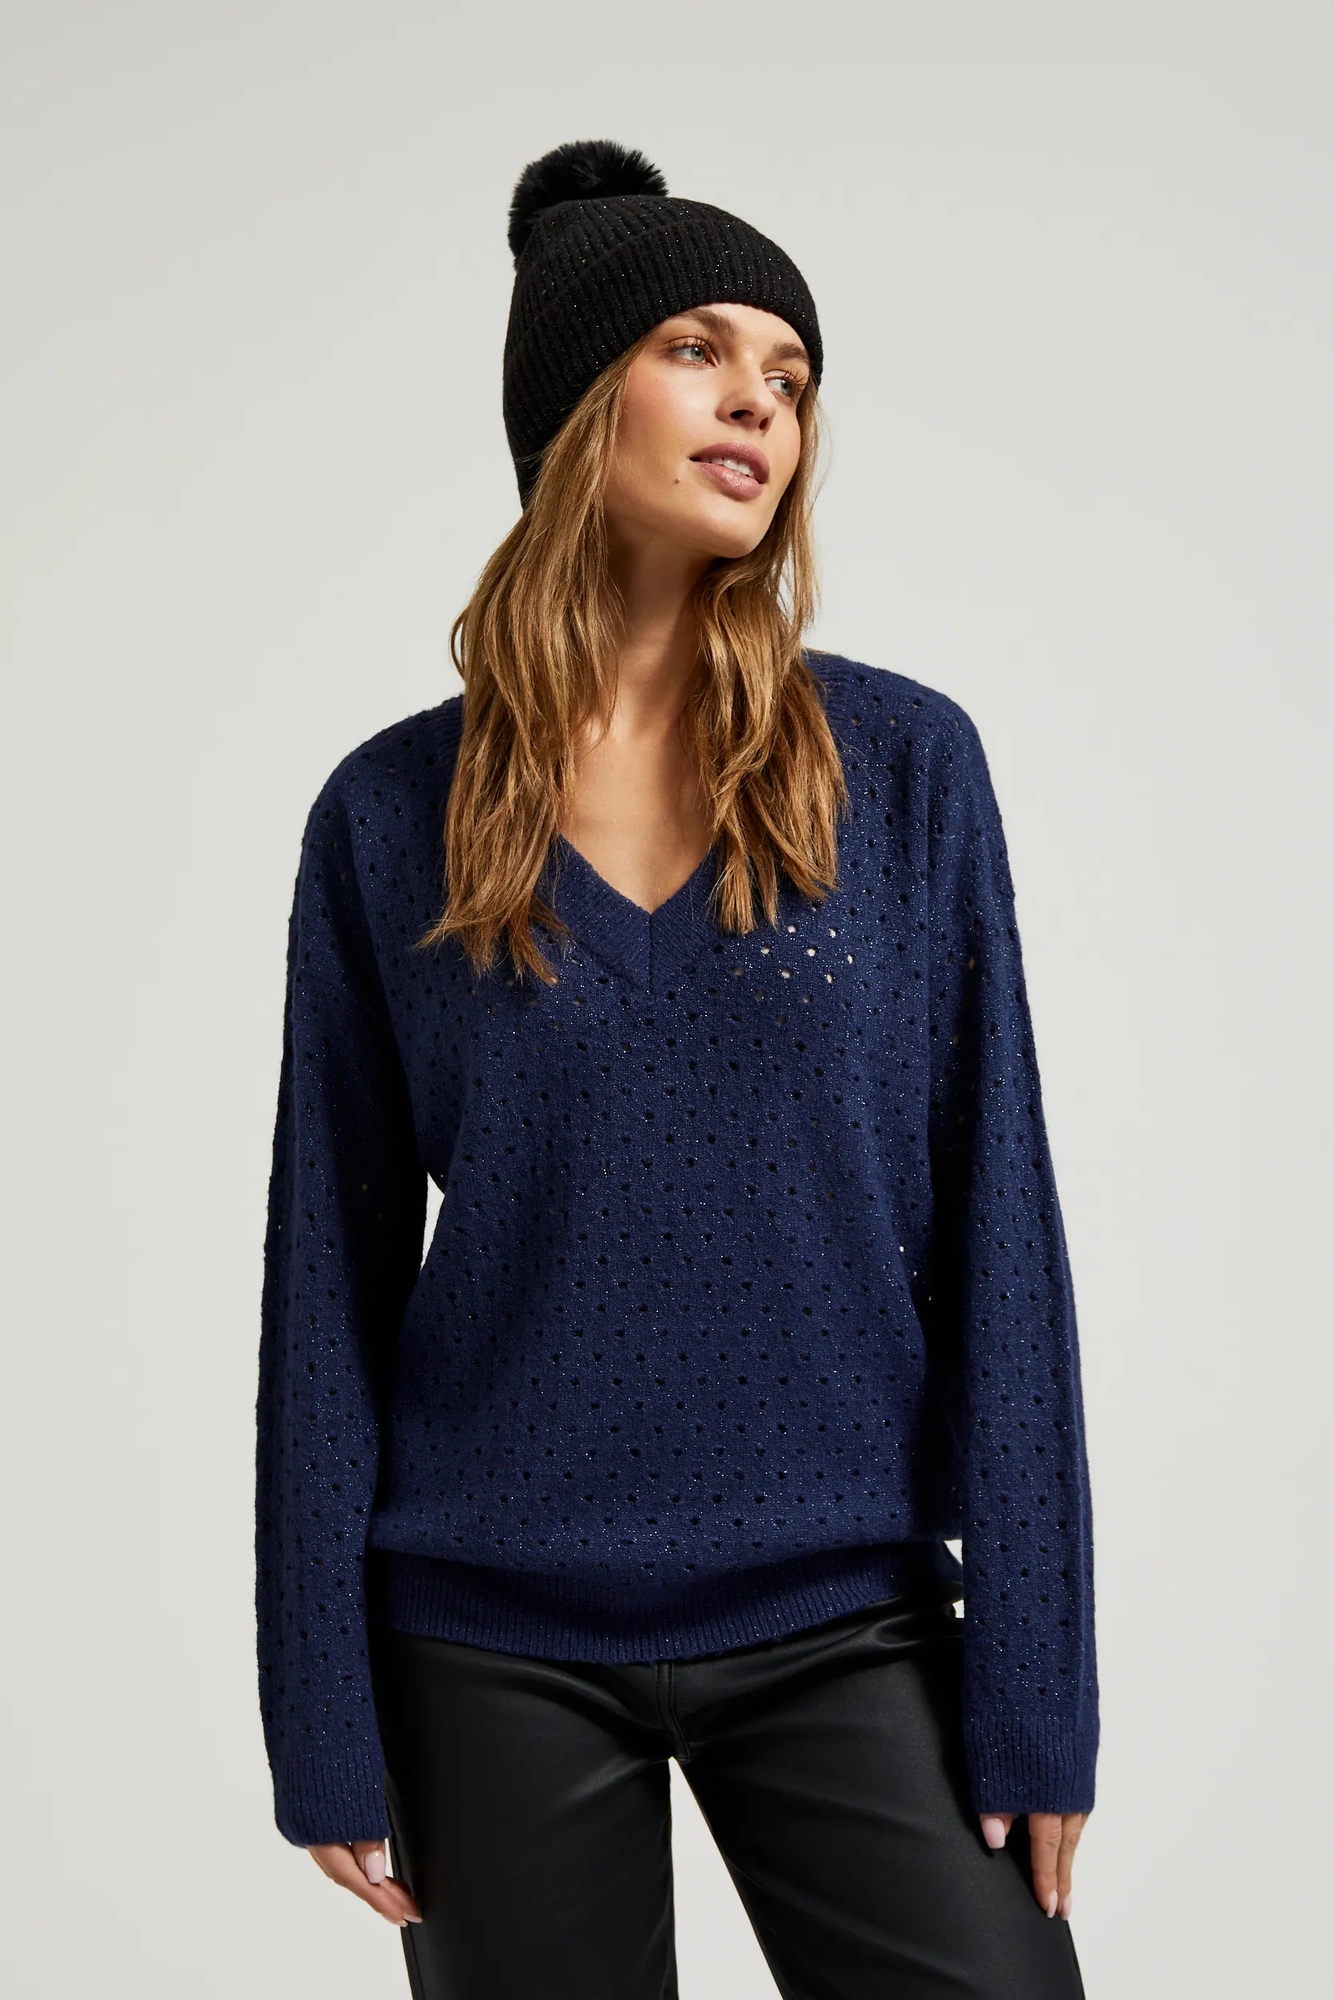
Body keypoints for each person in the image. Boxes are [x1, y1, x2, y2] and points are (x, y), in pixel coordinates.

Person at [255, 139, 1099, 1999]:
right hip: (484, 1637)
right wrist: (317, 1702)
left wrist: (1037, 1686)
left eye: (787, 374)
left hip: (845, 1610)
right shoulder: (388, 812)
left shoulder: (902, 769)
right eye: (698, 351)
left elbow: (1002, 1230)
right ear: (578, 405)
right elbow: (328, 1279)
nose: (757, 403)